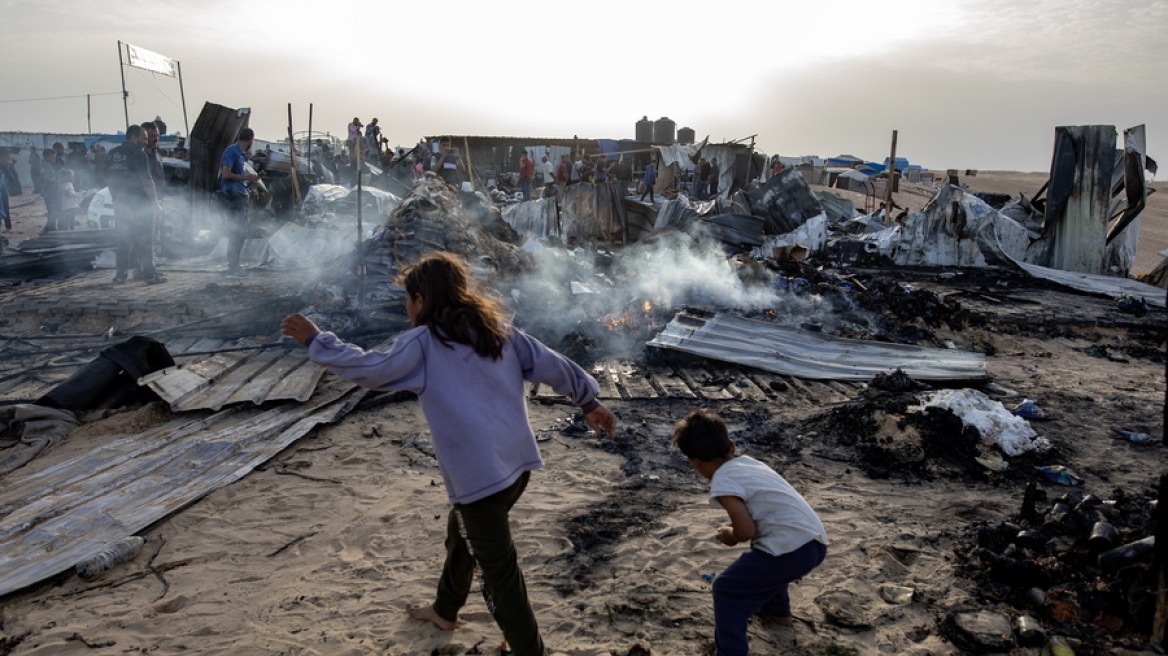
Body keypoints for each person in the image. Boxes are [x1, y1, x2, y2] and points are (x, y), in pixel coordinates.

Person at [280, 252, 617, 656]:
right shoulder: (497, 330)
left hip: (481, 477)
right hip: (516, 466)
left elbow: (369, 369)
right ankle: (444, 609)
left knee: (499, 574)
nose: (407, 309)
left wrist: (317, 340)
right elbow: (553, 363)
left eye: (408, 300)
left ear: (421, 299)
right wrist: (588, 401)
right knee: (462, 533)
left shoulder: (423, 344)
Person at [673, 410, 828, 656]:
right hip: (815, 542)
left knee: (726, 588)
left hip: (791, 551)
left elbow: (745, 531)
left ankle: (731, 652)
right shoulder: (751, 463)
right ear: (731, 447)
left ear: (695, 463)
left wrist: (729, 534)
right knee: (766, 562)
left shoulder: (722, 481)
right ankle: (778, 613)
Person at [107, 125, 163, 284]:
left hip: (122, 205)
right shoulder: (140, 155)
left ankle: (120, 275)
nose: (146, 142)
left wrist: (115, 199)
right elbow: (147, 182)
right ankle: (150, 274)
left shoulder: (113, 154)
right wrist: (155, 203)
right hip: (140, 205)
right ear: (132, 137)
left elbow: (110, 182)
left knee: (123, 241)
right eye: (143, 138)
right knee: (146, 240)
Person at [219, 127, 261, 277]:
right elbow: (226, 174)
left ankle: (235, 264)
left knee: (240, 232)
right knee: (236, 231)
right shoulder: (232, 151)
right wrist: (247, 178)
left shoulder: (240, 153)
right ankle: (233, 266)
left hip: (240, 194)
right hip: (233, 195)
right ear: (251, 140)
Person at [38, 149, 60, 231]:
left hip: (50, 190)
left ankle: (49, 226)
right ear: (46, 157)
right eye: (52, 156)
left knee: (52, 209)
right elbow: (43, 177)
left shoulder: (47, 165)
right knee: (53, 209)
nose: (54, 158)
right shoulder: (46, 166)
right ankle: (51, 227)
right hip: (49, 190)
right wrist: (55, 181)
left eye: (55, 156)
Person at [0, 149, 12, 231]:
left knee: (5, 209)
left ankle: (8, 226)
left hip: (3, 191)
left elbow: (11, 179)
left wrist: (5, 186)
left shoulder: (5, 167)